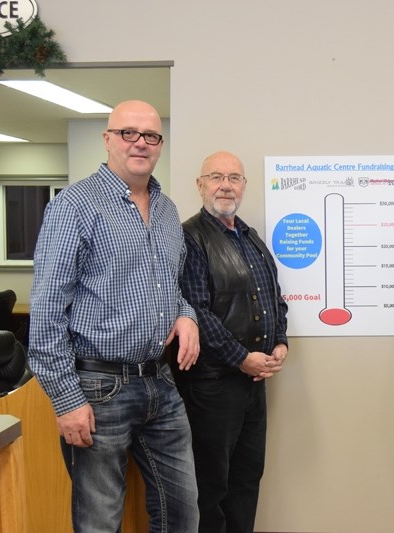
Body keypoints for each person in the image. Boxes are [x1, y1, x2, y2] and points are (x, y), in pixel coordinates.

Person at [28, 100, 200, 532]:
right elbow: (47, 310)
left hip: (161, 383)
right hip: (98, 389)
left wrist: (186, 315)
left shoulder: (166, 210)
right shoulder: (75, 206)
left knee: (183, 512)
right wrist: (67, 400)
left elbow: (170, 287)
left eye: (151, 136)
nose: (140, 143)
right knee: (100, 520)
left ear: (160, 145)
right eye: (128, 133)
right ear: (107, 139)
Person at [175, 150, 289, 533]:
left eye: (235, 178)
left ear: (244, 185)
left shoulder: (250, 237)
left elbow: (275, 297)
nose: (226, 185)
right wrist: (241, 358)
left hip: (253, 385)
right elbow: (196, 310)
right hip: (212, 387)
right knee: (211, 487)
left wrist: (280, 342)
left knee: (246, 481)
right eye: (216, 176)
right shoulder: (190, 238)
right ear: (200, 184)